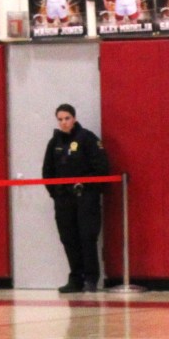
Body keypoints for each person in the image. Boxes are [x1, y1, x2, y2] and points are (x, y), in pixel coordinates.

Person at [42, 104, 109, 294]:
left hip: (85, 198)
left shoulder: (87, 139)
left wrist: (89, 190)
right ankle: (76, 278)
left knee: (87, 237)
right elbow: (47, 172)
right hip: (63, 199)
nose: (64, 122)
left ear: (74, 118)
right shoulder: (54, 143)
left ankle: (91, 278)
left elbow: (102, 168)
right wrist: (56, 193)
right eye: (60, 119)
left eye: (67, 118)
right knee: (68, 238)